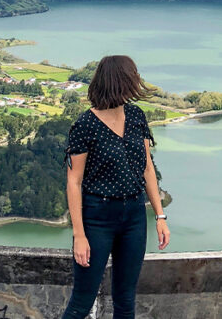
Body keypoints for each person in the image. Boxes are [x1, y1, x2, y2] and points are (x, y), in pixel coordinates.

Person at [61, 55, 170, 319]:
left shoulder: (136, 116)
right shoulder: (85, 125)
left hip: (133, 215)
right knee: (81, 303)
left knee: (125, 301)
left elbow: (147, 169)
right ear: (120, 81)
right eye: (133, 76)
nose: (137, 82)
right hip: (97, 217)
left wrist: (160, 215)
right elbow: (73, 182)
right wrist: (79, 235)